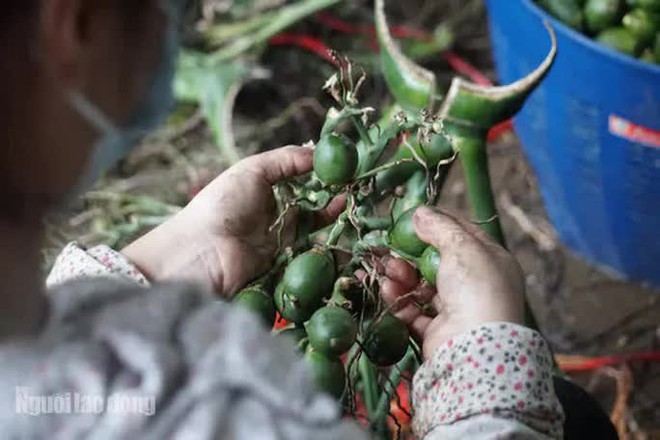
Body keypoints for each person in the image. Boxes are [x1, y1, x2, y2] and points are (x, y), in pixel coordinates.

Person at [0, 0, 567, 438]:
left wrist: (178, 254)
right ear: (72, 24)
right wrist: (492, 381)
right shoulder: (222, 416)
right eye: (173, 13)